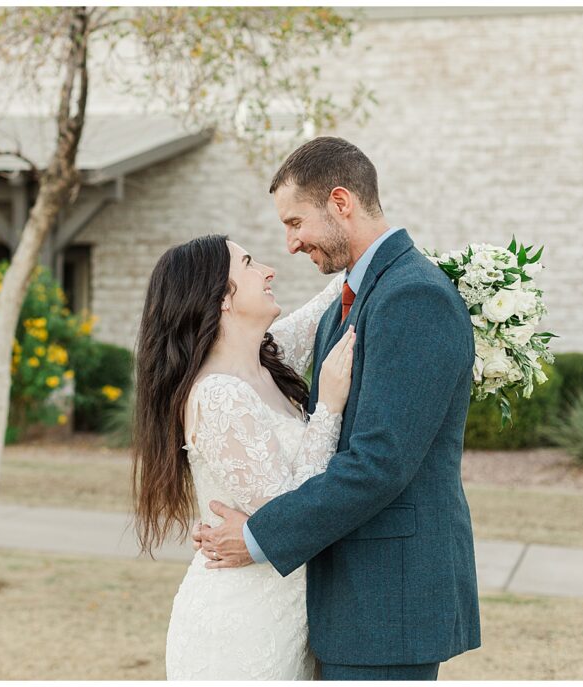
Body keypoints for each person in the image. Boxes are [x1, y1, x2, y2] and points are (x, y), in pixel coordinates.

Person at [196, 136, 481, 680]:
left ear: (341, 202)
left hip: (387, 602)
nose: (291, 243)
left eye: (296, 222)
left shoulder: (411, 297)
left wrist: (258, 537)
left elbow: (379, 463)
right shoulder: (348, 303)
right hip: (344, 601)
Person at [132, 232, 355, 680]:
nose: (268, 270)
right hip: (243, 624)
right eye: (250, 264)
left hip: (291, 614)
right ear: (221, 299)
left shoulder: (265, 359)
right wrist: (329, 406)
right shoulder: (217, 396)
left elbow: (321, 307)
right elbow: (287, 513)